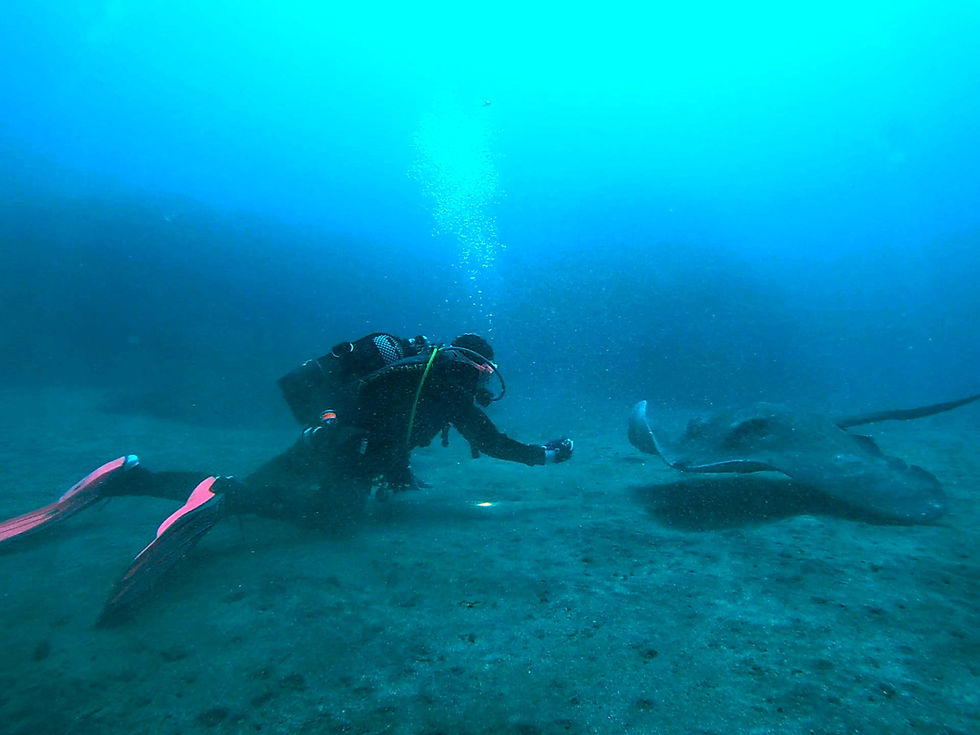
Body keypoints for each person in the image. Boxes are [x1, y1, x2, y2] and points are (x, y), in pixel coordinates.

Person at [0, 332, 574, 622]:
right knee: (333, 520)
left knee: (249, 489)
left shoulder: (407, 366)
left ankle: (129, 477)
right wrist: (545, 456)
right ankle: (223, 495)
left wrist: (393, 465)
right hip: (349, 452)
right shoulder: (448, 381)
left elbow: (388, 420)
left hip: (325, 435)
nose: (480, 384)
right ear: (476, 364)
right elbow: (492, 441)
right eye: (483, 373)